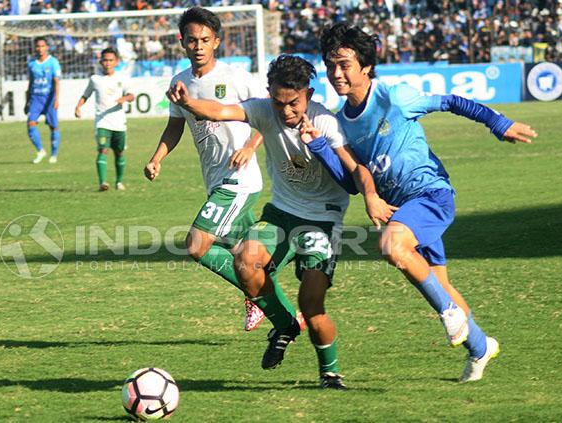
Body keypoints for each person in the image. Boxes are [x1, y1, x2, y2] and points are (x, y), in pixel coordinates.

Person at [313, 23, 538, 382]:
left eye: (344, 64)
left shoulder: (395, 97)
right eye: (330, 64)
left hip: (431, 195)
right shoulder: (341, 123)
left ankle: (449, 314)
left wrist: (498, 123)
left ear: (366, 65)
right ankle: (481, 347)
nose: (336, 72)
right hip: (403, 211)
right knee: (442, 286)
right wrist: (320, 147)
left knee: (391, 245)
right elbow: (353, 183)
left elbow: (451, 101)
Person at [167, 54, 395, 389]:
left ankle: (329, 372)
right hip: (282, 212)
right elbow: (220, 110)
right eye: (278, 102)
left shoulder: (326, 122)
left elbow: (356, 170)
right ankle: (285, 325)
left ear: (309, 95)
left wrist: (372, 197)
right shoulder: (262, 110)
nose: (286, 111)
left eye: (293, 103)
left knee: (312, 303)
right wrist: (189, 102)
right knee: (245, 259)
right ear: (269, 94)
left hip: (323, 220)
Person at [144, 7, 289, 333]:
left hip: (239, 179)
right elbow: (174, 126)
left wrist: (249, 147)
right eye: (192, 40)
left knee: (197, 245)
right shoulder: (179, 83)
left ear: (217, 42)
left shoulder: (236, 77)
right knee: (249, 256)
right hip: (214, 178)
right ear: (182, 42)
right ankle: (285, 312)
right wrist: (157, 158)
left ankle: (264, 302)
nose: (198, 46)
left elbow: (269, 115)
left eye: (205, 40)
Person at [75, 47, 135, 191]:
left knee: (119, 152)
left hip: (119, 123)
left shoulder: (122, 77)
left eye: (110, 60)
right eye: (105, 60)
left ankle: (119, 182)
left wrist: (124, 98)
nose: (107, 63)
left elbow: (132, 96)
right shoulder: (95, 79)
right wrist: (78, 107)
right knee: (103, 150)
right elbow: (86, 95)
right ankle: (103, 182)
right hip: (102, 121)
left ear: (116, 62)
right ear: (101, 61)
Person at [25, 37, 61, 164]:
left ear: (47, 47)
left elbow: (57, 82)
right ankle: (40, 150)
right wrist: (27, 100)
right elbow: (30, 83)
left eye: (42, 46)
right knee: (30, 123)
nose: (40, 49)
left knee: (53, 126)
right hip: (36, 98)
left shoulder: (53, 62)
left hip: (49, 98)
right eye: (38, 46)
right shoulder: (32, 63)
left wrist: (56, 99)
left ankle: (54, 154)